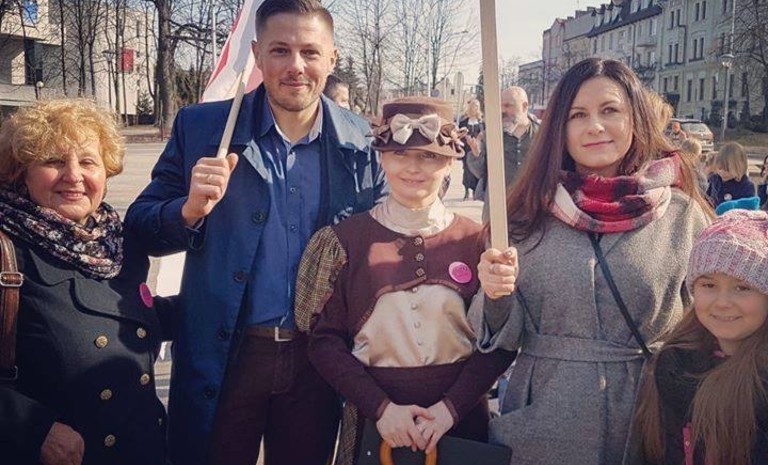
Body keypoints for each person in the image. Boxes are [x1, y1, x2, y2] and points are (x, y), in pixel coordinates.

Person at [123, 1, 387, 464]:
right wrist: (187, 210)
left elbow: (386, 241)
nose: (296, 66)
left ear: (332, 59)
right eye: (280, 50)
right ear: (257, 54)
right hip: (225, 357)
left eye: (310, 52)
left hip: (319, 362)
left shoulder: (362, 142)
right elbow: (140, 227)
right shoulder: (202, 128)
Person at [470, 58, 712, 465]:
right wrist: (495, 294)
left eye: (610, 110)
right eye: (577, 115)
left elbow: (712, 326)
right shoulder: (525, 217)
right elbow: (499, 338)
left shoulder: (683, 217)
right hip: (546, 423)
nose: (595, 126)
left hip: (649, 419)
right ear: (559, 128)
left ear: (635, 118)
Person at [295, 97, 514, 465]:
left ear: (449, 163)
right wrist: (381, 409)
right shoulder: (345, 242)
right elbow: (323, 342)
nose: (414, 168)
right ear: (382, 158)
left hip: (462, 425)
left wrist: (449, 410)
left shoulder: (480, 242)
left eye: (429, 156)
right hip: (376, 425)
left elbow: (502, 341)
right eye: (400, 154)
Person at [0, 99, 173, 465]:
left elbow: (122, 319)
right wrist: (34, 428)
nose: (74, 175)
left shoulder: (117, 243)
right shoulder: (6, 249)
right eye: (53, 161)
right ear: (21, 172)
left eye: (88, 162)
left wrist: (216, 305)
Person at [628, 209, 768, 465]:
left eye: (742, 287)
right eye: (708, 285)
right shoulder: (673, 364)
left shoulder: (760, 385)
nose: (722, 302)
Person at [466, 86, 540, 222]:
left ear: (524, 106)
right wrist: (476, 155)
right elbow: (481, 173)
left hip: (533, 213)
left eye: (508, 106)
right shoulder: (490, 135)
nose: (502, 110)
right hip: (497, 213)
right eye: (500, 106)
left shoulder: (542, 135)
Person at [706, 142, 756, 207]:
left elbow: (748, 209)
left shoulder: (746, 186)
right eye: (720, 168)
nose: (722, 173)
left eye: (727, 170)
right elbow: (706, 198)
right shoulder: (714, 179)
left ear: (738, 167)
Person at [459, 98, 483, 200]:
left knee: (475, 169)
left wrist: (479, 138)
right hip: (467, 148)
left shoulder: (481, 122)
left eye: (476, 106)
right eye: (473, 106)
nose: (474, 108)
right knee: (467, 169)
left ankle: (474, 190)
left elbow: (484, 134)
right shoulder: (464, 121)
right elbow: (459, 133)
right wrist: (465, 137)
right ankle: (466, 190)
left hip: (477, 149)